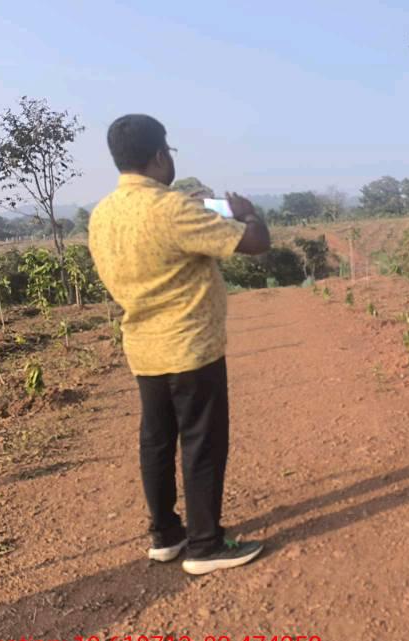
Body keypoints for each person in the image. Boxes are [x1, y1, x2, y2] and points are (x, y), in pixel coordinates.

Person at [89, 114, 271, 573]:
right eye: (168, 151)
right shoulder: (172, 209)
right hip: (190, 345)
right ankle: (206, 545)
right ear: (158, 156)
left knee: (156, 441)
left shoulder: (102, 213)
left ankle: (165, 535)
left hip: (143, 348)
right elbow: (255, 243)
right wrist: (247, 212)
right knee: (202, 442)